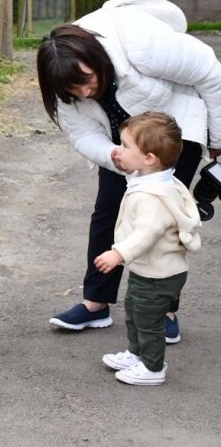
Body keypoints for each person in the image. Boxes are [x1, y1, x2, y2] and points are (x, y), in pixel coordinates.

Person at [38, 1, 221, 340]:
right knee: (109, 211)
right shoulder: (63, 81)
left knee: (161, 219)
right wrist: (114, 155)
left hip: (172, 136)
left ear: (95, 57)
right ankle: (95, 303)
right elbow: (81, 133)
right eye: (73, 91)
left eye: (87, 82)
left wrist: (218, 138)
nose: (85, 92)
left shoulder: (138, 44)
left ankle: (163, 310)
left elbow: (209, 72)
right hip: (122, 145)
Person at [95, 111, 201, 386]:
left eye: (126, 145)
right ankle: (136, 353)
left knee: (148, 320)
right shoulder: (160, 180)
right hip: (152, 270)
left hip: (159, 274)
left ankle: (153, 367)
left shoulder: (153, 198)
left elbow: (147, 232)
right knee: (134, 310)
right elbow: (140, 187)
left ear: (149, 158)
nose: (119, 150)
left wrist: (118, 253)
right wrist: (131, 170)